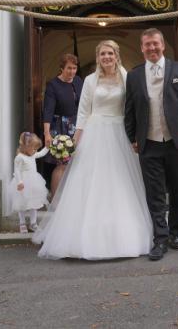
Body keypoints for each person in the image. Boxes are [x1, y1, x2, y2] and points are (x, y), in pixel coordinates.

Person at [32, 40, 153, 260]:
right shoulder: (89, 80)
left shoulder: (126, 77)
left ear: (116, 55)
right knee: (89, 182)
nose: (106, 57)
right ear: (98, 57)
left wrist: (134, 135)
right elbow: (83, 112)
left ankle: (123, 236)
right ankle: (83, 236)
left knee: (119, 182)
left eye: (110, 53)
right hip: (95, 133)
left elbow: (133, 107)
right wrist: (75, 142)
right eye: (102, 54)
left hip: (119, 133)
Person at [124, 28, 178, 261]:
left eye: (155, 44)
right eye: (147, 44)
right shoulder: (134, 76)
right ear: (141, 48)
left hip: (176, 141)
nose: (151, 48)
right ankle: (160, 238)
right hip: (148, 143)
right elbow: (129, 110)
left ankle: (175, 232)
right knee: (155, 193)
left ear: (162, 45)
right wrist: (132, 137)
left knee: (177, 190)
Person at [42, 54, 83, 198]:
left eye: (74, 68)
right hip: (60, 127)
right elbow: (48, 110)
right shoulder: (53, 85)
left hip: (77, 126)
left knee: (77, 164)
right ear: (61, 68)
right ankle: (56, 200)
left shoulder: (79, 81)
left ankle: (72, 198)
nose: (72, 71)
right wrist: (47, 133)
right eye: (68, 68)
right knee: (61, 164)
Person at [10, 132, 50, 233]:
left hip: (34, 182)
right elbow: (17, 170)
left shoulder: (32, 155)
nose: (35, 151)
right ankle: (22, 223)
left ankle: (33, 223)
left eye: (36, 149)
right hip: (23, 183)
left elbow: (41, 153)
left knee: (34, 203)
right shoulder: (20, 157)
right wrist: (19, 182)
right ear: (26, 147)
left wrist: (47, 147)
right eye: (34, 148)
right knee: (21, 204)